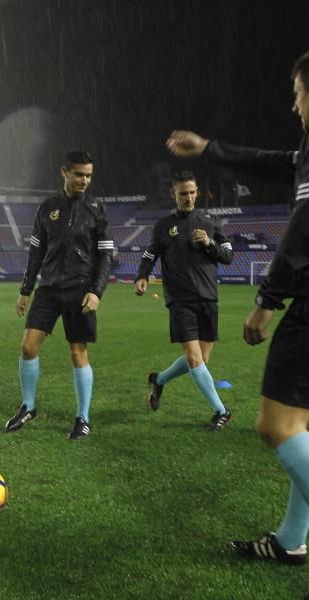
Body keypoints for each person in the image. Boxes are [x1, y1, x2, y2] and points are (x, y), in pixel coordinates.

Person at [166, 45, 309, 600]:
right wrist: (213, 150)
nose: (294, 107)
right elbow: (283, 162)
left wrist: (269, 299)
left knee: (274, 424)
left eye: (295, 93)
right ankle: (292, 541)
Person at [5, 150, 114, 439]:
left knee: (77, 352)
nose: (84, 180)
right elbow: (36, 252)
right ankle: (28, 406)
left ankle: (83, 417)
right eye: (79, 174)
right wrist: (26, 290)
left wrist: (96, 291)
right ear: (64, 172)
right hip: (49, 288)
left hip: (80, 289)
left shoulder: (97, 209)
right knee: (28, 346)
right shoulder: (47, 208)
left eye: (89, 175)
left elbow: (105, 256)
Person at [134, 170, 234, 431]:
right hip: (180, 300)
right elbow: (149, 253)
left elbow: (228, 256)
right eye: (183, 193)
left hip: (208, 298)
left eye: (192, 192)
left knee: (201, 360)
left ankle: (159, 380)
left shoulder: (212, 222)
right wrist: (142, 276)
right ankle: (221, 411)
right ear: (173, 194)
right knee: (193, 358)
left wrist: (210, 243)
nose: (188, 198)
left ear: (197, 191)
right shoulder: (164, 226)